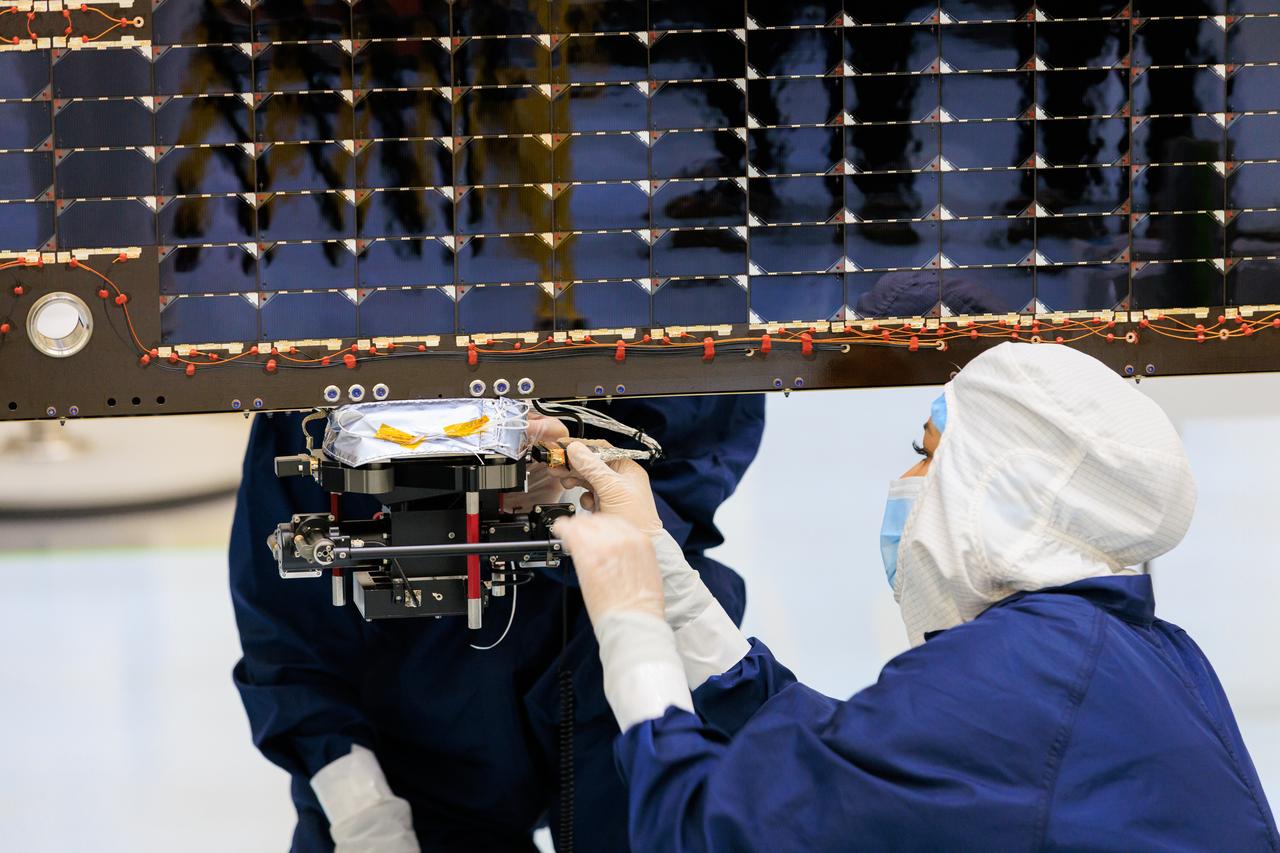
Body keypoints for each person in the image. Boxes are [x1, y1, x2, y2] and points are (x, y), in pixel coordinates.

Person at [553, 342, 1280, 852]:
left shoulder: (1022, 671)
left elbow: (707, 830)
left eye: (927, 451)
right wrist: (667, 572)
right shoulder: (1120, 652)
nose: (905, 478)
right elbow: (859, 762)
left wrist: (631, 627)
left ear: (1001, 485)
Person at [228, 396, 765, 852]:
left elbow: (688, 467)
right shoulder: (324, 388)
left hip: (614, 701)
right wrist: (363, 814)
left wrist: (583, 510)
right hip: (408, 740)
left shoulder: (660, 323)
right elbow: (288, 639)